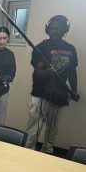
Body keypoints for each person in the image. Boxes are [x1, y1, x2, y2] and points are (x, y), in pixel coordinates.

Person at [25, 15, 79, 153]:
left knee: (52, 129)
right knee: (34, 129)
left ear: (65, 30)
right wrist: (49, 72)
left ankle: (48, 153)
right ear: (47, 30)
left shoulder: (71, 49)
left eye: (59, 28)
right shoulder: (40, 48)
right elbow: (38, 73)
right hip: (40, 94)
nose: (55, 31)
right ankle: (27, 153)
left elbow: (72, 71)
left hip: (59, 94)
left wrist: (74, 90)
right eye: (52, 28)